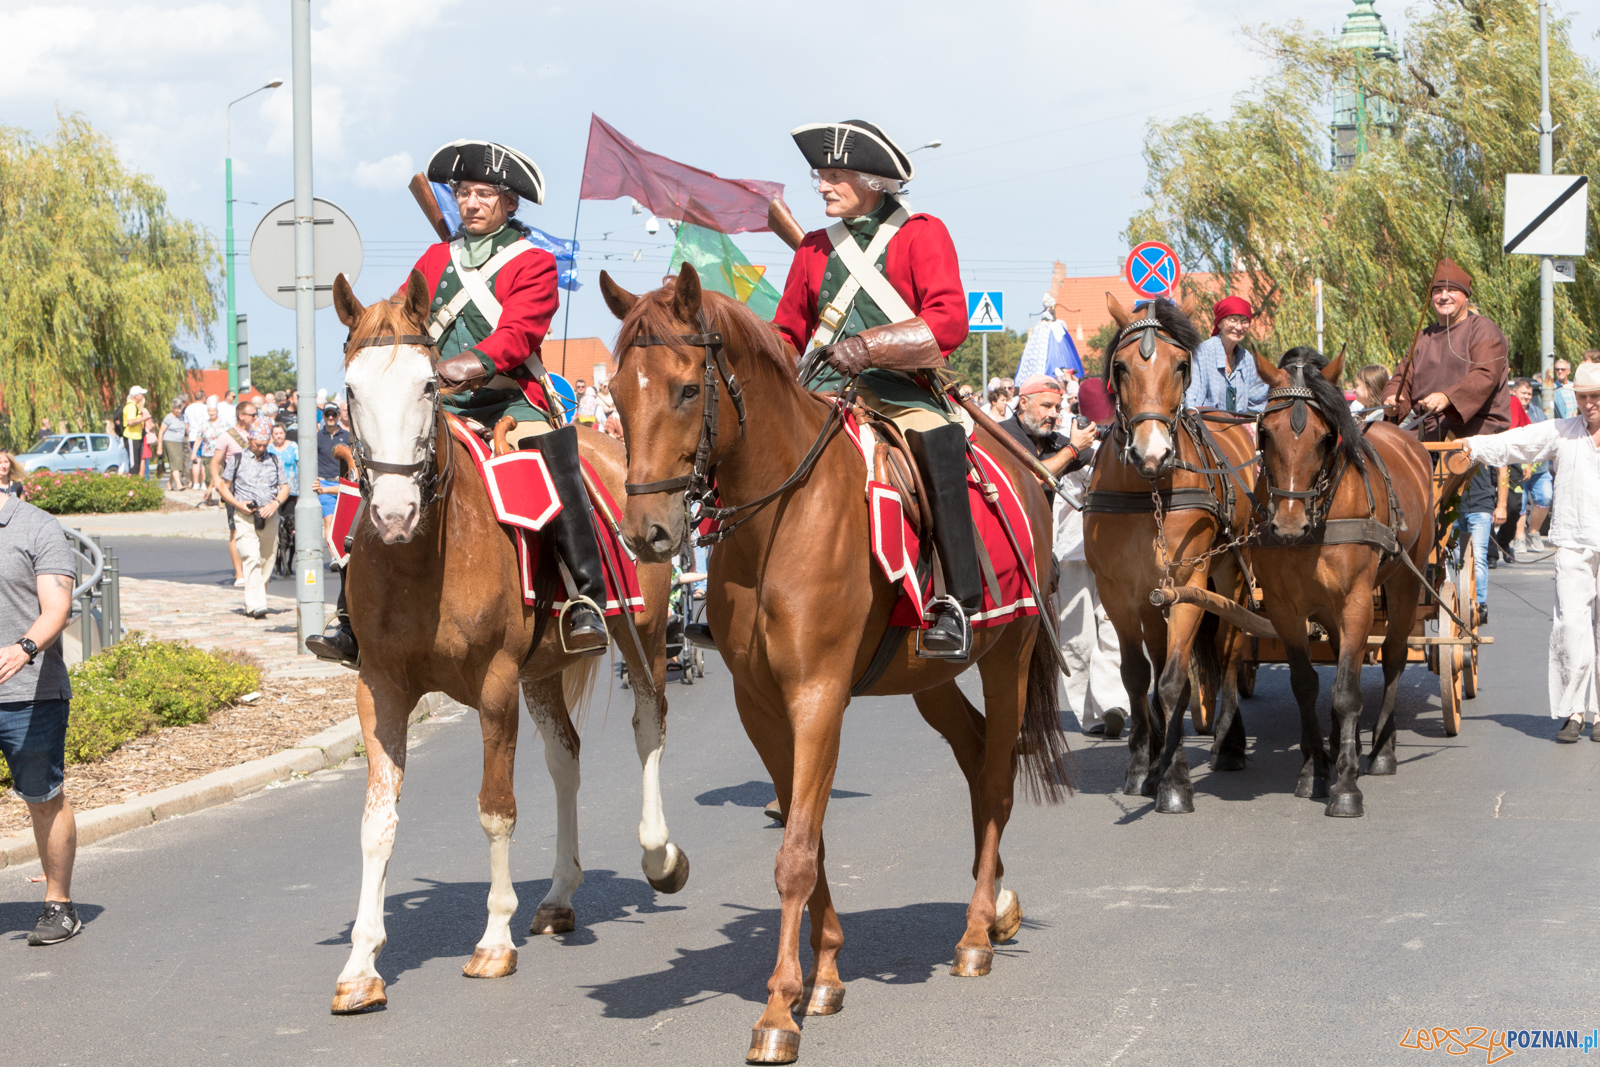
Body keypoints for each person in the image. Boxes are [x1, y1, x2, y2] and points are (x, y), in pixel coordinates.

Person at [311, 138, 609, 663]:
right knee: (376, 463)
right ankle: (348, 614)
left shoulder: (534, 263)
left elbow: (519, 335)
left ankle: (586, 596)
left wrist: (460, 365)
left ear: (509, 204)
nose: (472, 204)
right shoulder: (434, 257)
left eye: (484, 195)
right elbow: (404, 314)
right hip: (442, 404)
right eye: (465, 193)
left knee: (553, 458)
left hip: (508, 400)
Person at [772, 118, 977, 657]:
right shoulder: (813, 248)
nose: (821, 185)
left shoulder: (921, 233)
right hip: (816, 390)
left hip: (899, 390)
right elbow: (787, 331)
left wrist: (865, 349)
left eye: (834, 174)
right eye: (820, 174)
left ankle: (956, 602)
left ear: (874, 181)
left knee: (937, 440)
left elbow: (948, 321)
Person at [1462, 362, 1600, 743]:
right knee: (1571, 627)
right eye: (1583, 397)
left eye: (1596, 397)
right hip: (1572, 540)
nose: (1589, 404)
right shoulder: (1563, 431)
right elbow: (1517, 442)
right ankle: (1574, 712)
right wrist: (1472, 446)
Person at [0, 487, 82, 944]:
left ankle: (59, 904)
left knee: (43, 797)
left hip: (29, 693)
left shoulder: (37, 527)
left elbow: (58, 607)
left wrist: (24, 648)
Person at [1051, 379, 1126, 737]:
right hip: (1073, 548)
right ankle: (1090, 714)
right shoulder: (1064, 444)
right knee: (1078, 635)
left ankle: (1113, 702)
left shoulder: (1124, 442)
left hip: (1112, 549)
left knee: (1115, 626)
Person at [1382, 258, 1510, 441]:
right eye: (1437, 291)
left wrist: (1447, 397)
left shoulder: (1483, 329)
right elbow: (1401, 378)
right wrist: (1392, 398)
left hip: (1473, 431)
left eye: (1451, 290)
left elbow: (1485, 375)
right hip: (1426, 429)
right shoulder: (1422, 337)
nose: (1443, 296)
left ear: (1465, 295)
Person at [217, 423, 290, 619]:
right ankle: (256, 604)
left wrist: (274, 504)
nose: (261, 449)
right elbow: (223, 487)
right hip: (244, 517)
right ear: (249, 440)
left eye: (265, 445)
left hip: (269, 516)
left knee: (267, 561)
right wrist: (238, 505)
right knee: (251, 557)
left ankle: (257, 599)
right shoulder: (237, 459)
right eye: (258, 444)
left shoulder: (274, 460)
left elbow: (284, 488)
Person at [995, 375, 1097, 499]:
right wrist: (1072, 449)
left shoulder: (1053, 439)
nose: (1054, 414)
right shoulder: (1002, 432)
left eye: (1057, 408)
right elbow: (1028, 479)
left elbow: (1098, 458)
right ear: (1023, 403)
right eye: (1047, 406)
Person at [1186, 296, 1267, 414]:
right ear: (1219, 323)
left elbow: (1260, 401)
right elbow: (1192, 404)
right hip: (1206, 426)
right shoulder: (1202, 353)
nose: (1239, 327)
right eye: (1233, 320)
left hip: (1238, 428)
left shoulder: (1247, 359)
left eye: (1244, 321)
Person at [209, 400, 257, 585]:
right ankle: (239, 574)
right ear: (241, 416)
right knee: (235, 529)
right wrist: (217, 480)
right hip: (235, 488)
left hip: (256, 486)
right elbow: (216, 462)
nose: (255, 417)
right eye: (252, 414)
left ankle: (253, 567)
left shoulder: (256, 433)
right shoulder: (227, 437)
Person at [1508, 378, 1553, 553]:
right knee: (1520, 502)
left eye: (1529, 394)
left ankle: (1533, 532)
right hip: (1517, 468)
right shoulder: (1509, 411)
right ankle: (1519, 537)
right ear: (1514, 393)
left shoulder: (1539, 414)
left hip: (1539, 468)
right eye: (1523, 393)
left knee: (1545, 497)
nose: (1526, 397)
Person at [313, 402, 351, 563]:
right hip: (325, 483)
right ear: (323, 416)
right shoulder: (317, 438)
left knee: (345, 520)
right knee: (328, 520)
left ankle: (345, 553)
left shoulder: (347, 436)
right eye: (327, 414)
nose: (330, 417)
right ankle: (334, 555)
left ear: (338, 416)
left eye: (333, 414)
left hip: (343, 482)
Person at [120, 386, 151, 474]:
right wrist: (143, 418)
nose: (143, 396)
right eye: (141, 394)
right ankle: (133, 484)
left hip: (136, 437)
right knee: (133, 464)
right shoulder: (131, 406)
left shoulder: (134, 406)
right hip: (131, 436)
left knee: (137, 462)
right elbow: (131, 422)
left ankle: (136, 484)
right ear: (136, 396)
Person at [160, 398, 188, 489]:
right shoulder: (168, 418)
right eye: (176, 409)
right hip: (170, 442)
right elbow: (161, 432)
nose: (178, 411)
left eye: (180, 408)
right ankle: (179, 484)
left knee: (176, 464)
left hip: (180, 442)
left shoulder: (182, 417)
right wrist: (159, 446)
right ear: (173, 408)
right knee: (175, 463)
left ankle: (169, 483)